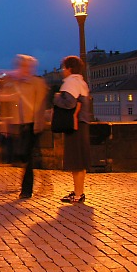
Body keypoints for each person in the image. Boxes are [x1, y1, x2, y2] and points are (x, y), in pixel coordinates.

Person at [2, 55, 48, 198]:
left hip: (32, 124)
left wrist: (38, 124)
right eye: (20, 65)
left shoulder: (37, 83)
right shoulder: (18, 83)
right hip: (21, 124)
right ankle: (35, 184)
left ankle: (26, 190)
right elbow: (10, 100)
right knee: (24, 156)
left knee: (26, 156)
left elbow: (40, 105)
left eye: (24, 65)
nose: (21, 68)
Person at [54, 55, 92, 204]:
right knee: (81, 160)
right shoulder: (81, 82)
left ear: (69, 68)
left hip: (74, 125)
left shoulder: (70, 83)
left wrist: (56, 97)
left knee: (75, 160)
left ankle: (77, 194)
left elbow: (69, 103)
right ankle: (79, 191)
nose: (63, 71)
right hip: (83, 124)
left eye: (64, 68)